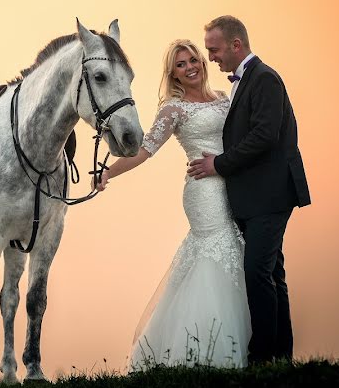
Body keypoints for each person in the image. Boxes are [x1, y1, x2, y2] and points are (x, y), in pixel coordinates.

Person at [96, 39, 251, 369]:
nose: (190, 66)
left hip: (233, 185)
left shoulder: (225, 99)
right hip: (204, 192)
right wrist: (109, 171)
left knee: (235, 254)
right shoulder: (173, 109)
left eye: (193, 59)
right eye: (181, 65)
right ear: (173, 75)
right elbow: (145, 149)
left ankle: (240, 348)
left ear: (203, 63)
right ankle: (203, 353)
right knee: (214, 252)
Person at [188, 15, 310, 364]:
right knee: (272, 274)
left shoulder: (266, 79)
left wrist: (219, 164)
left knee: (257, 272)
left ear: (236, 45)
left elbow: (264, 136)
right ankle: (281, 357)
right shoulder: (244, 81)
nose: (211, 57)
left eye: (214, 50)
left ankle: (261, 358)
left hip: (271, 194)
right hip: (255, 195)